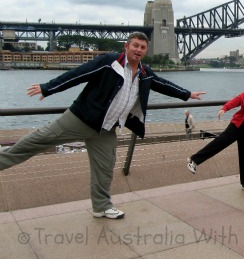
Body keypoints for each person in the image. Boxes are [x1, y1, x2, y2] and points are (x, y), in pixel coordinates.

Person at [0, 32, 205, 219]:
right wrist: (47, 88)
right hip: (80, 119)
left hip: (106, 129)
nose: (138, 50)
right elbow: (77, 74)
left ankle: (101, 206)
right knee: (38, 140)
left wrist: (187, 94)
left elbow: (163, 84)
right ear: (126, 46)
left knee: (105, 168)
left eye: (142, 47)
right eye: (135, 45)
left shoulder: (145, 72)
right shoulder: (110, 62)